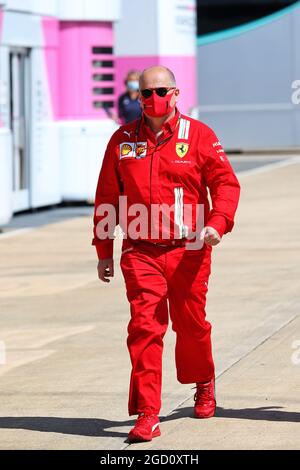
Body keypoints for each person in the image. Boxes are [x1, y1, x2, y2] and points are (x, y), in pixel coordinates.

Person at [92, 66, 240, 444]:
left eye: (161, 91)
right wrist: (104, 249)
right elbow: (108, 196)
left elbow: (225, 183)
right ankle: (147, 413)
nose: (153, 98)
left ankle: (203, 382)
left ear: (175, 93)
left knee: (191, 326)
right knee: (144, 329)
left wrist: (218, 223)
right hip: (141, 253)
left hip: (190, 248)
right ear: (137, 98)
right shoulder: (122, 141)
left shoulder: (199, 135)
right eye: (146, 93)